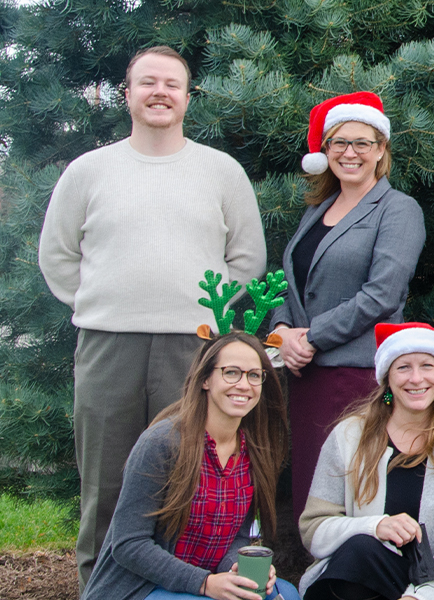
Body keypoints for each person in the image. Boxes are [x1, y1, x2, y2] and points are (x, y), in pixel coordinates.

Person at [38, 45, 266, 584]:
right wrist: (101, 302)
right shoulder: (88, 170)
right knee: (105, 484)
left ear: (188, 97)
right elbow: (58, 255)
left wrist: (203, 310)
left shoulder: (220, 171)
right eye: (147, 83)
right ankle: (100, 590)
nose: (159, 92)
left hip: (193, 349)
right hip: (107, 346)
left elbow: (247, 257)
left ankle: (179, 588)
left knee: (185, 479)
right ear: (129, 94)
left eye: (171, 84)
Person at [83, 272, 294, 600]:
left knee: (287, 595)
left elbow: (236, 538)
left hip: (206, 584)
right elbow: (129, 544)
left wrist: (237, 570)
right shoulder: (162, 443)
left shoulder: (253, 450)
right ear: (206, 379)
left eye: (255, 375)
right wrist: (205, 584)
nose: (244, 384)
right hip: (143, 588)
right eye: (231, 372)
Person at [271, 91, 425, 518]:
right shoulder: (316, 211)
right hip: (306, 376)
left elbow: (383, 295)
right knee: (310, 487)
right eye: (339, 142)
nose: (349, 152)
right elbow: (290, 284)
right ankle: (313, 575)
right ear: (324, 152)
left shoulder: (398, 210)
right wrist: (281, 333)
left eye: (362, 142)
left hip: (354, 377)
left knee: (351, 489)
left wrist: (311, 338)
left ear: (380, 151)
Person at [298, 322, 434, 600]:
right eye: (403, 367)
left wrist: (417, 597)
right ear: (387, 377)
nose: (416, 379)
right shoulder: (350, 436)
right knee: (360, 550)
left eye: (427, 365)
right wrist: (373, 526)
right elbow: (314, 530)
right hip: (362, 577)